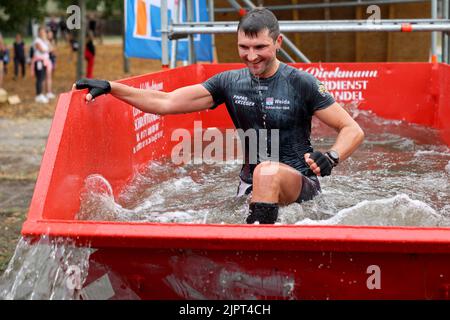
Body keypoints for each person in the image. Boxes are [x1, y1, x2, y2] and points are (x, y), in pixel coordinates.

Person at [75, 8, 364, 224]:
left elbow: (352, 128)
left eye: (260, 47)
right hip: (250, 187)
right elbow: (166, 101)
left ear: (278, 43)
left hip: (298, 183)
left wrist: (333, 156)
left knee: (268, 171)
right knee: (260, 175)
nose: (251, 56)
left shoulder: (301, 82)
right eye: (244, 48)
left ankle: (255, 259)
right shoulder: (228, 82)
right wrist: (113, 87)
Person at [32, 26, 54, 103]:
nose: (43, 33)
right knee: (40, 78)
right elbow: (41, 49)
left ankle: (42, 94)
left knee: (43, 78)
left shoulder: (45, 40)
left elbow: (51, 49)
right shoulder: (37, 40)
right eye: (41, 32)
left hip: (45, 62)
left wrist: (47, 45)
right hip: (39, 62)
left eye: (44, 32)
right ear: (38, 33)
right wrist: (47, 49)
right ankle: (38, 95)